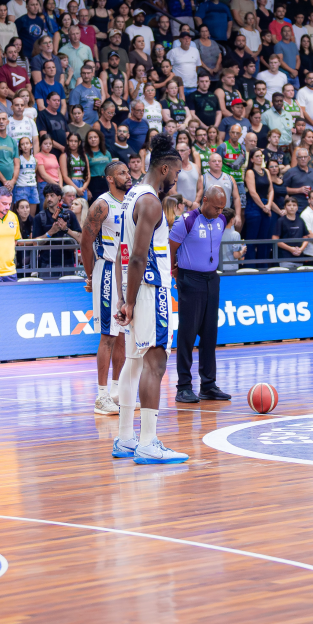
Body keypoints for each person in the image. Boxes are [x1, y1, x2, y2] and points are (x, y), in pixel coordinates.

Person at [112, 134, 188, 464]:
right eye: (177, 173)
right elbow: (139, 257)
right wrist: (129, 301)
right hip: (149, 289)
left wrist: (122, 296)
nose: (177, 180)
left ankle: (126, 438)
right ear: (165, 169)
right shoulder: (152, 202)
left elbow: (121, 252)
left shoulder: (130, 196)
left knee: (134, 362)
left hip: (132, 286)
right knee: (155, 363)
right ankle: (148, 442)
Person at [170, 186, 232, 404]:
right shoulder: (186, 221)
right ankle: (184, 386)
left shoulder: (221, 220)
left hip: (212, 279)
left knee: (209, 334)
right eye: (215, 207)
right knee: (187, 334)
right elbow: (170, 248)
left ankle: (208, 385)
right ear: (204, 200)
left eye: (222, 208)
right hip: (190, 279)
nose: (219, 211)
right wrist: (174, 271)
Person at [80, 160, 131, 415]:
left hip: (126, 272)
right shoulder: (102, 204)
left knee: (122, 335)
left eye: (128, 172)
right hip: (108, 269)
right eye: (122, 173)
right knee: (108, 335)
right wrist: (91, 275)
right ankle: (101, 397)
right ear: (110, 178)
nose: (128, 176)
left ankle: (116, 391)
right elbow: (85, 240)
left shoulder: (131, 202)